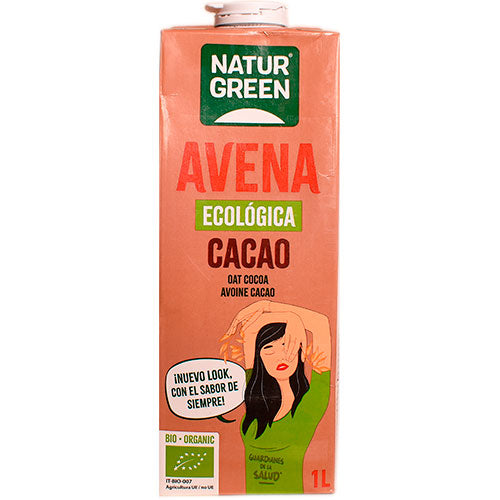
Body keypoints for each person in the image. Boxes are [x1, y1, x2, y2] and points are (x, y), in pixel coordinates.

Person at [220, 300, 331, 493]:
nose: (280, 356)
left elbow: (320, 324)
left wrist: (276, 310)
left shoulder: (310, 405)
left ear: (300, 352)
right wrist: (288, 317)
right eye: (269, 349)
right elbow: (251, 329)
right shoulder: (255, 396)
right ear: (260, 358)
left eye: (287, 345)